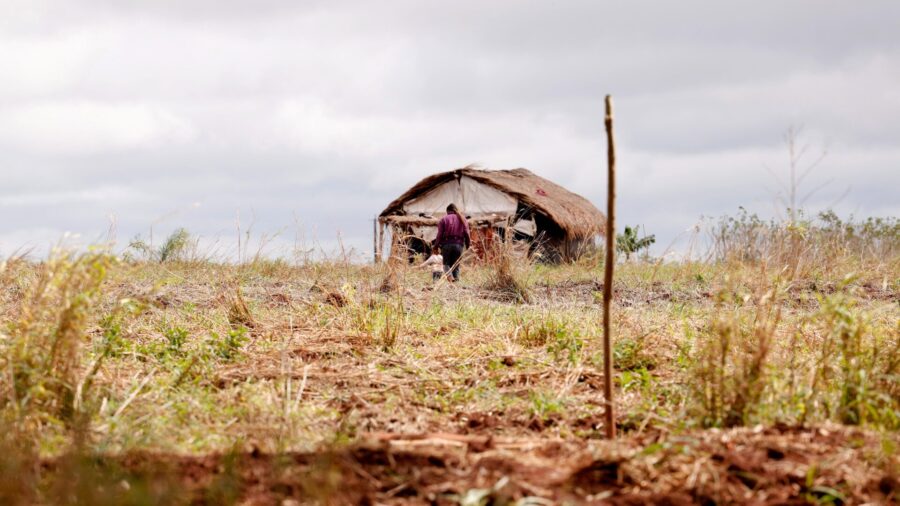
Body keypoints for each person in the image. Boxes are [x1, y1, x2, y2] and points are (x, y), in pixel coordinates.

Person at [434, 203, 470, 282]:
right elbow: (467, 233)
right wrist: (468, 245)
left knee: (446, 264)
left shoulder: (443, 219)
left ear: (447, 211)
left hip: (446, 245)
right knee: (456, 265)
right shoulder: (463, 219)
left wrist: (435, 246)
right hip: (459, 245)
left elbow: (439, 235)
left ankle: (450, 279)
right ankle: (456, 283)